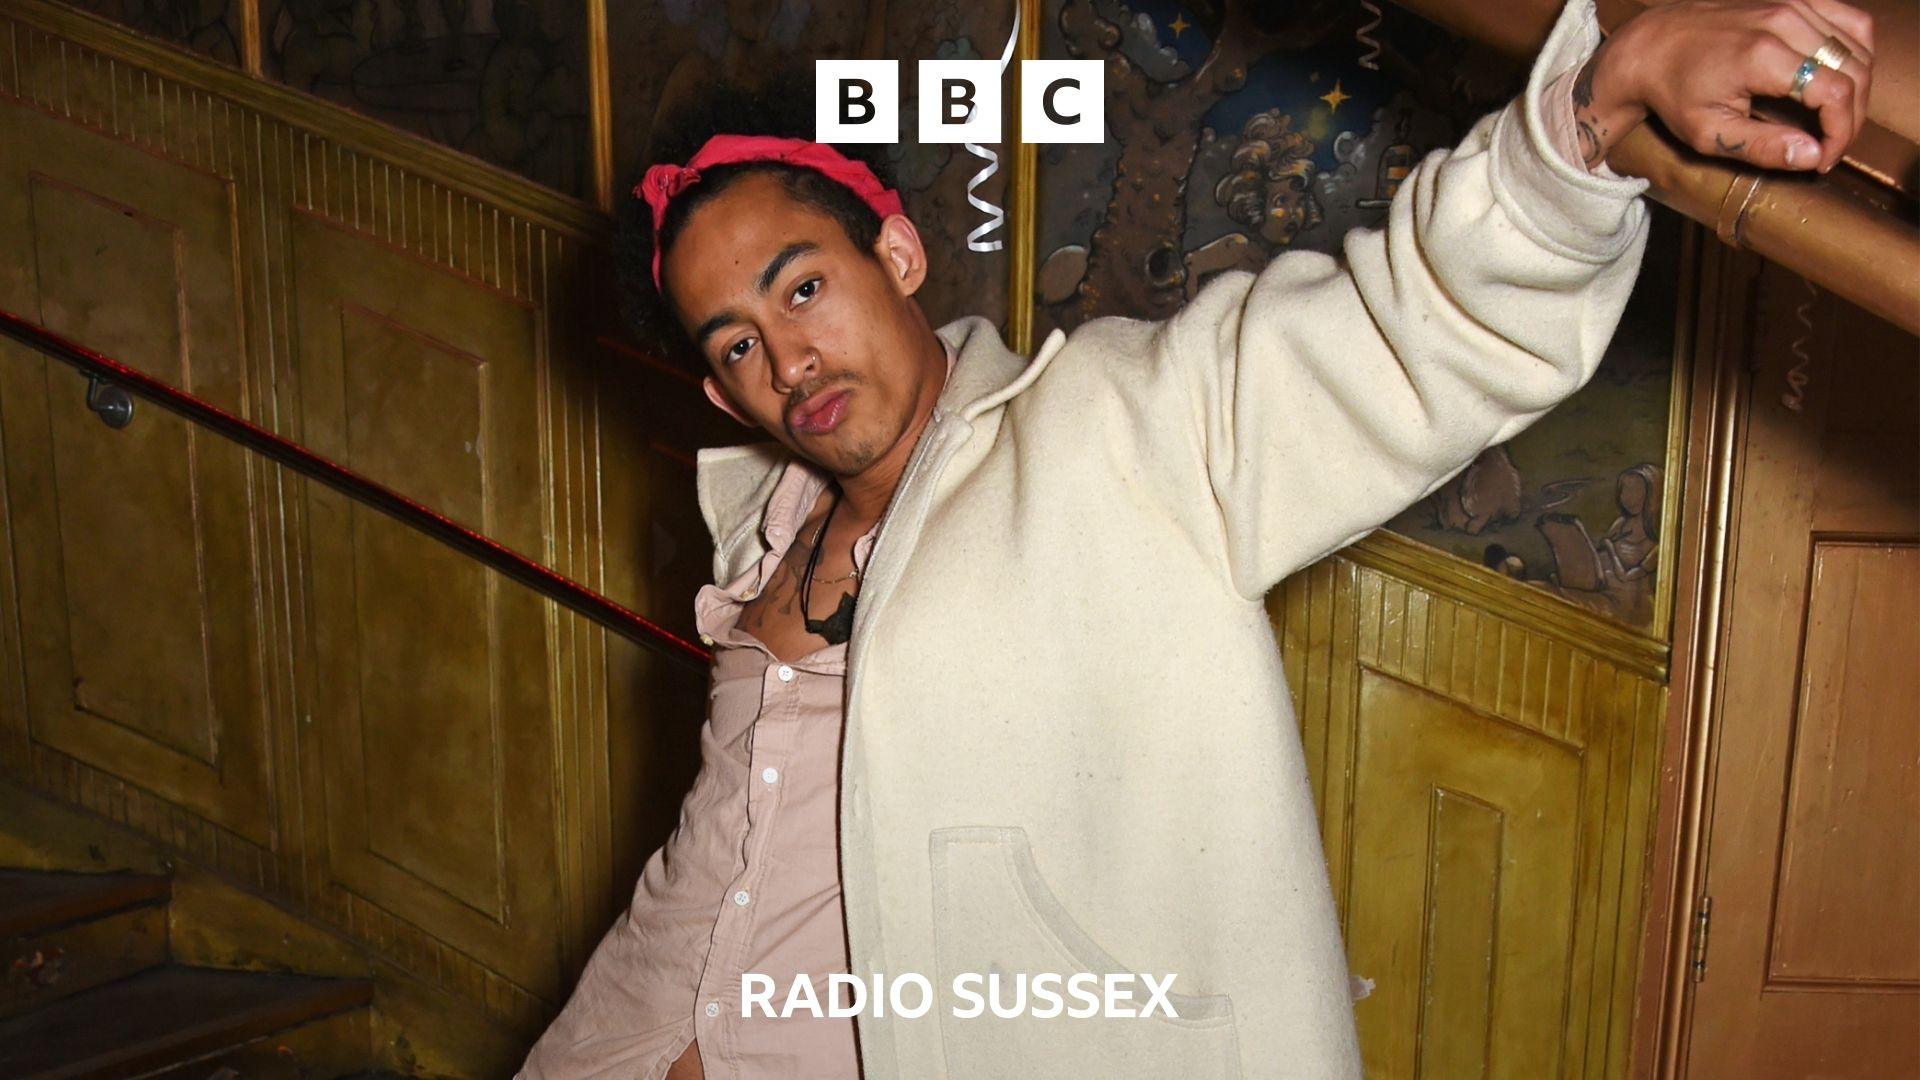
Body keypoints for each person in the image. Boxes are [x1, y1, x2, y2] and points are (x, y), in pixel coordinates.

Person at [522, 0, 1876, 1076]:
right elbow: (727, 846)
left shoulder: (1120, 430)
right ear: (719, 390)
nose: (789, 356)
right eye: (740, 344)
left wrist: (1589, 112)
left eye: (804, 286)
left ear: (899, 254)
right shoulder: (763, 529)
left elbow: (1409, 333)